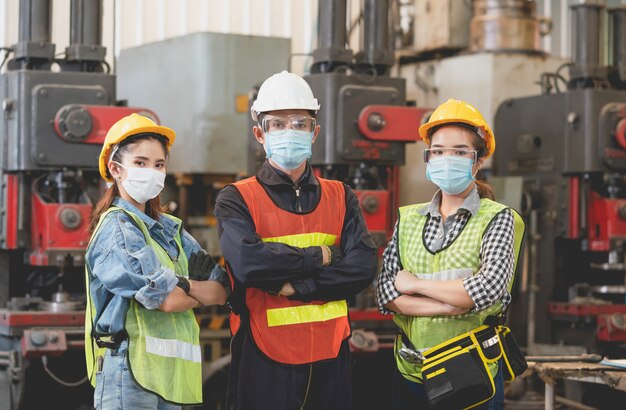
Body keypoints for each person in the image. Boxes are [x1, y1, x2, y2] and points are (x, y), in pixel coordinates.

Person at [215, 71, 378, 410]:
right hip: (262, 357)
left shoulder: (341, 195)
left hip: (330, 357)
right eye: (277, 124)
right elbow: (250, 264)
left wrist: (297, 287)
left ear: (314, 132)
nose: (289, 131)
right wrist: (320, 256)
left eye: (300, 124)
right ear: (260, 134)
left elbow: (361, 268)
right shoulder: (236, 198)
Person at [376, 99, 525, 409]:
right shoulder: (409, 218)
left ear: (479, 160)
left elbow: (486, 289)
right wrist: (449, 304)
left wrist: (414, 285)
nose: (447, 159)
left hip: (471, 372)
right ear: (428, 158)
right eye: (439, 151)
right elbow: (386, 291)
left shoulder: (498, 218)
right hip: (411, 370)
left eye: (459, 152)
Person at [84, 113, 231, 410]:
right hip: (128, 374)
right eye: (140, 163)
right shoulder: (117, 229)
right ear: (116, 169)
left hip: (167, 378)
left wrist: (183, 284)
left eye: (159, 164)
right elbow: (167, 301)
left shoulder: (170, 230)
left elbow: (222, 289)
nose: (151, 171)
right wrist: (191, 293)